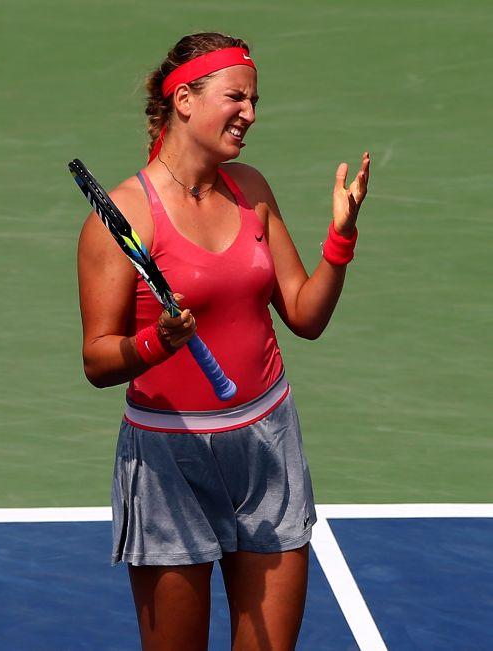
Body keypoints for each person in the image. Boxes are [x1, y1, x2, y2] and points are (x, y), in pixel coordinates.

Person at [77, 31, 370, 651]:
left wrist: (339, 242)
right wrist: (158, 342)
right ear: (185, 99)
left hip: (268, 442)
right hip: (168, 458)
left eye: (255, 100)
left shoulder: (251, 189)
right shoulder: (127, 216)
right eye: (237, 97)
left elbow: (304, 315)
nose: (251, 114)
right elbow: (99, 358)